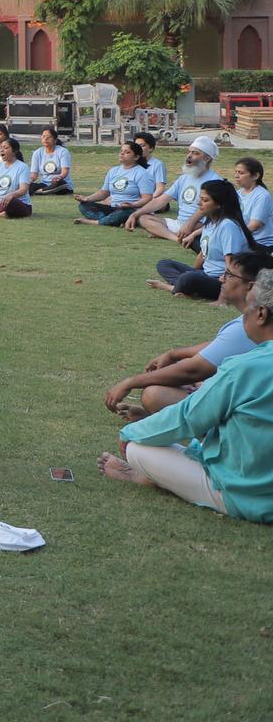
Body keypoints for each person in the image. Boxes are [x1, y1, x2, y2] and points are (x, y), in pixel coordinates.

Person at [100, 275, 273, 523]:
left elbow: (188, 417)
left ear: (261, 314)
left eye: (248, 307)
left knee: (137, 448)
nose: (243, 315)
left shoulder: (246, 367)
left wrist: (130, 434)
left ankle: (153, 477)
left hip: (247, 495)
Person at [105, 255, 273, 419]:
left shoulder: (248, 326)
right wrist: (174, 354)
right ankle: (160, 418)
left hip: (247, 415)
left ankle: (195, 428)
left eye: (229, 275)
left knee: (154, 393)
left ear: (251, 286)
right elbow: (221, 345)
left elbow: (192, 371)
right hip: (244, 400)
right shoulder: (253, 319)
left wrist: (130, 382)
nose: (221, 279)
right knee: (177, 373)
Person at [150, 179, 251, 300]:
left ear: (219, 204)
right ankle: (186, 286)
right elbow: (203, 254)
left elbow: (232, 262)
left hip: (222, 281)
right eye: (200, 198)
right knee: (164, 264)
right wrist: (193, 272)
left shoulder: (228, 226)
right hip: (206, 274)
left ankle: (172, 287)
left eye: (205, 200)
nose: (199, 203)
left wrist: (222, 287)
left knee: (189, 278)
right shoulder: (210, 223)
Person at [133, 136, 226, 244]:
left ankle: (168, 233)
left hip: (199, 224)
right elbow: (161, 200)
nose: (189, 156)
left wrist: (189, 224)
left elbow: (205, 210)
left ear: (207, 159)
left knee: (200, 225)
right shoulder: (184, 178)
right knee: (144, 218)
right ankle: (176, 238)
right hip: (179, 223)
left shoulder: (215, 181)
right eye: (189, 152)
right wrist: (135, 214)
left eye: (195, 153)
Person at [74, 142, 158, 227]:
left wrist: (133, 204)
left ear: (136, 157)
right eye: (121, 151)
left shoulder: (142, 174)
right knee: (84, 206)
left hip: (131, 209)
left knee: (124, 212)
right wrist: (86, 198)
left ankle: (97, 222)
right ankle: (113, 221)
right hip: (113, 208)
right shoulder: (113, 171)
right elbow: (104, 193)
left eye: (127, 152)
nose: (122, 154)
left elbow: (147, 198)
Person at [236, 157, 273, 248]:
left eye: (241, 173)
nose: (236, 176)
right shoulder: (238, 193)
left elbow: (254, 226)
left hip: (260, 243)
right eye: (236, 172)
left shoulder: (262, 196)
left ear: (255, 176)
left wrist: (233, 237)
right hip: (244, 239)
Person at [27, 127, 74, 195]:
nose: (45, 139)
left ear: (55, 140)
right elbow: (34, 174)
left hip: (59, 183)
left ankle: (39, 192)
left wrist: (59, 177)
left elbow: (65, 171)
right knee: (28, 186)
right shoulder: (37, 153)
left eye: (49, 137)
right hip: (45, 184)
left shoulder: (63, 151)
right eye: (43, 136)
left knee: (60, 184)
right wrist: (29, 181)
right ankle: (44, 191)